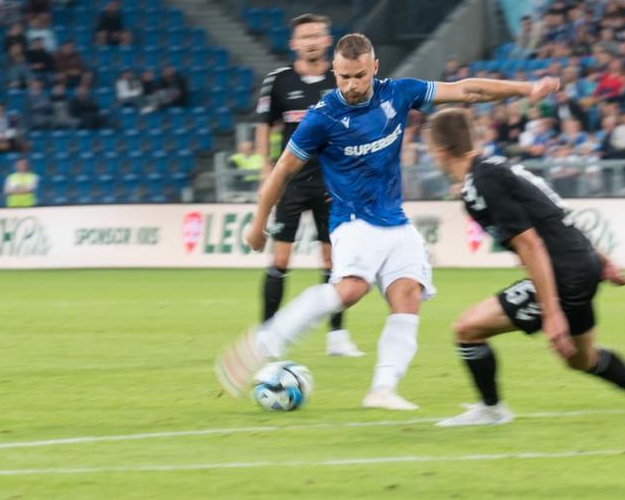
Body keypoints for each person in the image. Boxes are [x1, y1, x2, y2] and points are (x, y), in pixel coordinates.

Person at [215, 32, 561, 410]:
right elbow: (282, 171)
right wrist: (257, 222)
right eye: (344, 76)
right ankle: (264, 342)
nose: (351, 85)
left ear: (374, 68)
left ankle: (382, 389)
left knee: (407, 297)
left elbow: (467, 91)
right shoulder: (322, 117)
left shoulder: (398, 93)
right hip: (352, 221)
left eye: (359, 75)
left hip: (395, 221)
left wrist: (527, 89)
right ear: (334, 71)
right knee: (351, 290)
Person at [422, 108, 625, 426]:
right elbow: (557, 213)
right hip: (581, 264)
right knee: (581, 359)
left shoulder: (480, 184)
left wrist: (551, 313)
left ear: (440, 151)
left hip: (563, 273)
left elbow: (530, 245)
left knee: (467, 330)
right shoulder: (496, 167)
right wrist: (600, 259)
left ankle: (491, 409)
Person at [253, 13, 362, 356]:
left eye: (317, 34)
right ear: (294, 43)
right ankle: (267, 335)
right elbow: (264, 126)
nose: (312, 40)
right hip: (291, 183)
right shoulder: (279, 80)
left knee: (333, 263)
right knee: (280, 260)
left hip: (332, 183)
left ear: (329, 40)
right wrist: (264, 172)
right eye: (305, 36)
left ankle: (337, 337)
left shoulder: (342, 78)